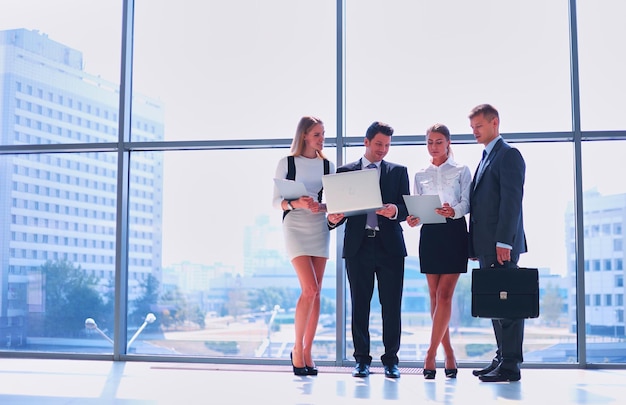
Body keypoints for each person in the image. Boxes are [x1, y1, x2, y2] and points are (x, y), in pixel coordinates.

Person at [327, 121, 409, 379]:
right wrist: (333, 218)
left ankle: (391, 361)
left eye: (387, 145)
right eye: (378, 144)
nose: (383, 149)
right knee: (359, 305)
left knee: (391, 306)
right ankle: (361, 361)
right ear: (366, 142)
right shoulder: (345, 171)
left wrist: (394, 210)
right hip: (358, 246)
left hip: (390, 247)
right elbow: (334, 214)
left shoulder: (398, 172)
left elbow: (406, 209)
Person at [467, 104, 527, 382]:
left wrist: (505, 241)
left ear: (495, 123)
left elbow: (511, 202)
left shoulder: (508, 155)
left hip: (501, 245)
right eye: (473, 127)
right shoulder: (486, 157)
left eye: (479, 126)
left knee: (508, 307)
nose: (475, 131)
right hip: (487, 245)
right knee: (495, 304)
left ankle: (511, 365)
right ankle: (502, 358)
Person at [406, 123, 471, 379]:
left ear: (448, 143)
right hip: (430, 234)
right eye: (430, 142)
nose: (434, 147)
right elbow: (418, 207)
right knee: (434, 297)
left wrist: (452, 211)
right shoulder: (420, 174)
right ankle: (450, 352)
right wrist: (414, 219)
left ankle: (430, 354)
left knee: (445, 296)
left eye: (439, 142)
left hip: (454, 232)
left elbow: (467, 203)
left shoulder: (462, 170)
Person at [272, 116, 336, 376]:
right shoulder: (286, 163)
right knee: (309, 288)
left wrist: (320, 206)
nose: (322, 139)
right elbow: (276, 201)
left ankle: (308, 350)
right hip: (295, 226)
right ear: (304, 136)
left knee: (317, 292)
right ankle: (297, 349)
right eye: (317, 134)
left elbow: (334, 202)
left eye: (323, 134)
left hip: (319, 226)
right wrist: (298, 203)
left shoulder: (328, 165)